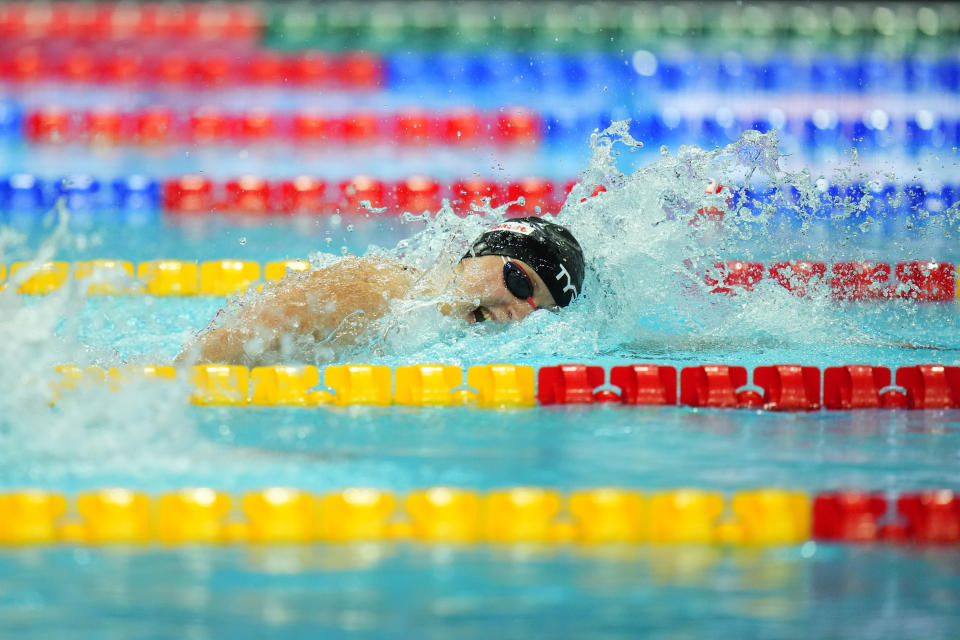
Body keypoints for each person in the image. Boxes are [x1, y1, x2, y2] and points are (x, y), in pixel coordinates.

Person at [175, 216, 585, 366]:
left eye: (537, 312)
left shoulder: (432, 334)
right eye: (518, 282)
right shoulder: (375, 293)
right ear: (479, 252)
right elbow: (219, 349)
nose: (517, 313)